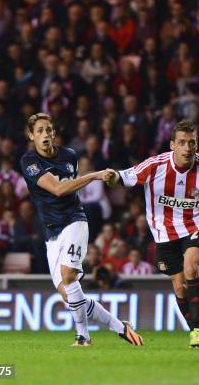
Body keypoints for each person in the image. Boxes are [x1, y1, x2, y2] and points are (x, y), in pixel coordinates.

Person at [106, 119, 199, 348]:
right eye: (182, 142)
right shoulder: (155, 165)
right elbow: (123, 177)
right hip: (163, 232)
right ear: (172, 145)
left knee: (191, 267)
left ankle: (197, 329)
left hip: (195, 225)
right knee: (180, 286)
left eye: (192, 143)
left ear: (197, 145)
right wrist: (109, 176)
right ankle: (196, 331)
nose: (188, 148)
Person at [20, 112, 143, 347]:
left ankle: (83, 337)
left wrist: (87, 178)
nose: (45, 134)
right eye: (40, 131)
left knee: (69, 275)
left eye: (48, 129)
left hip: (74, 221)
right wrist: (95, 175)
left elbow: (70, 190)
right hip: (50, 232)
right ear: (31, 135)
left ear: (54, 132)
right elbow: (57, 189)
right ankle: (121, 327)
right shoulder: (29, 162)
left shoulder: (69, 156)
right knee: (70, 296)